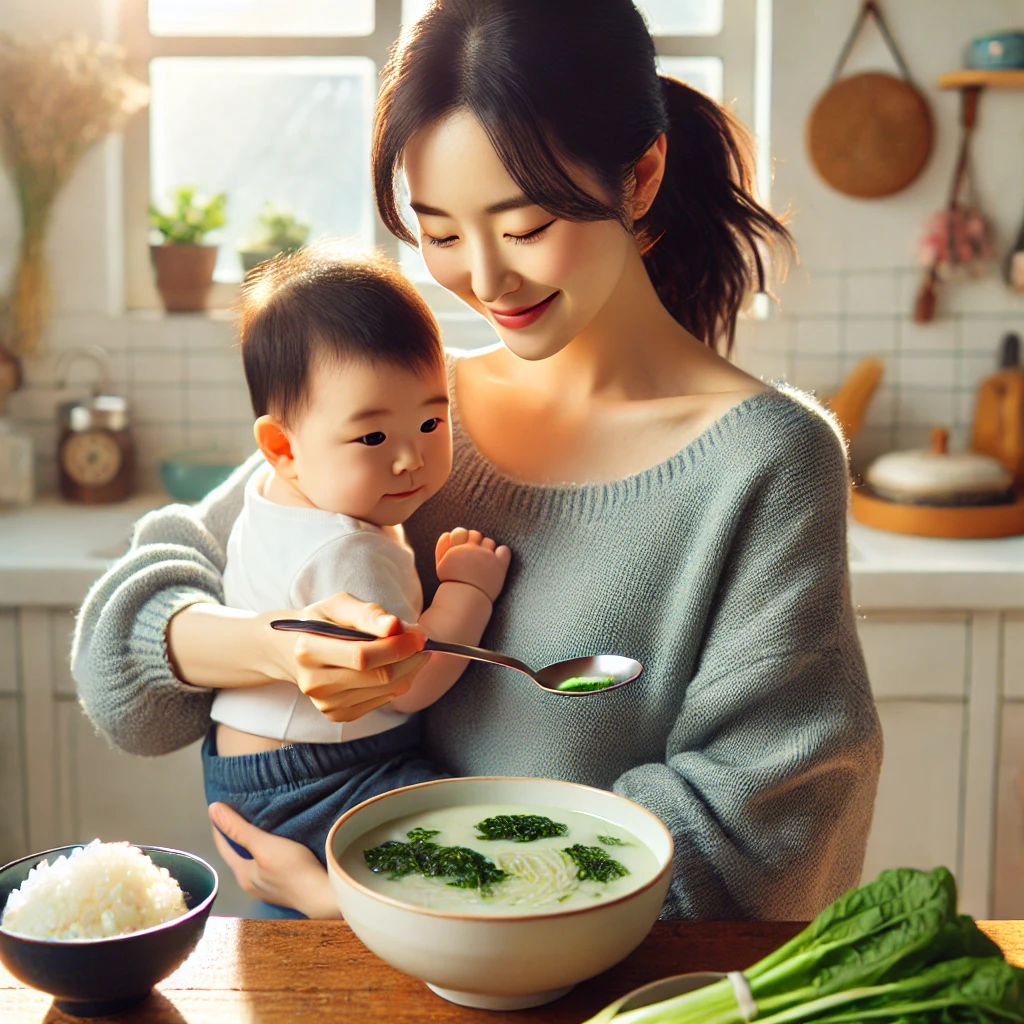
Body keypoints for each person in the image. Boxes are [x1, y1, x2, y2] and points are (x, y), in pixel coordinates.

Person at [73, 0, 882, 921]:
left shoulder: (764, 464)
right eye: (442, 234)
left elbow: (761, 831)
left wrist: (379, 905)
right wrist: (271, 646)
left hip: (583, 988)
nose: (486, 280)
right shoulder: (406, 420)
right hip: (314, 980)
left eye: (525, 227)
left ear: (642, 175)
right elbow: (122, 677)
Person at [200, 245, 510, 910]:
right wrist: (469, 592)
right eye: (372, 438)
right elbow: (409, 685)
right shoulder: (347, 549)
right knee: (467, 856)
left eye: (431, 421)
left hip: (258, 770)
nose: (410, 458)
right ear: (283, 447)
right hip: (323, 778)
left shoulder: (276, 493)